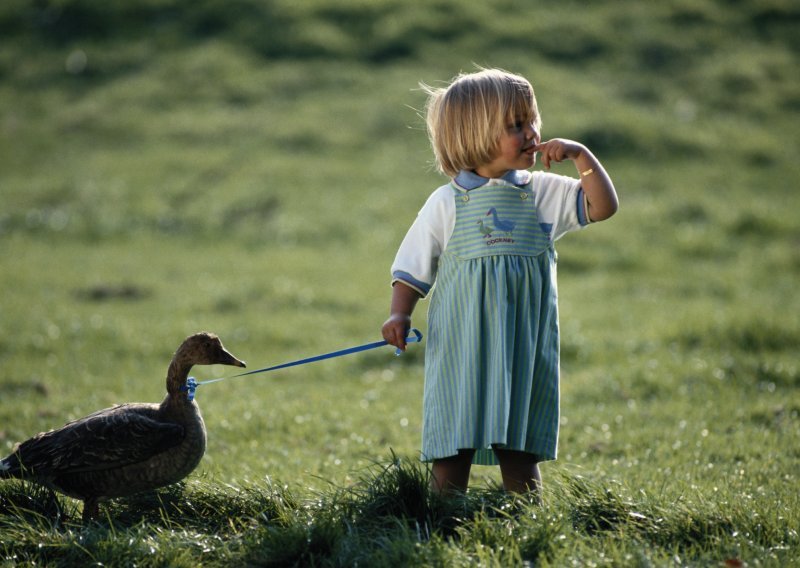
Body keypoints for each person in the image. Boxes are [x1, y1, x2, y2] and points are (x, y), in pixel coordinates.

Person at [381, 68, 618, 496]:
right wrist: (399, 314)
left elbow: (601, 207)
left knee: (520, 438)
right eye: (515, 125)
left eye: (532, 121)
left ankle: (525, 519)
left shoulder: (542, 193)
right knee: (455, 434)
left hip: (522, 346)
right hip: (461, 344)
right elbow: (413, 269)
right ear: (475, 135)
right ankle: (441, 516)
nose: (531, 133)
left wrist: (583, 157)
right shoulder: (446, 203)